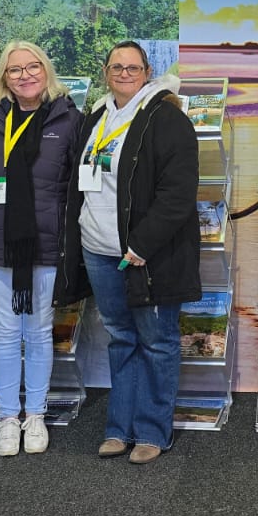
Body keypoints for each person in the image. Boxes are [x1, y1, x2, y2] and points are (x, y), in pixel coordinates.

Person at [60, 41, 199, 465]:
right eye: (117, 66)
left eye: (133, 67)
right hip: (98, 250)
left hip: (145, 253)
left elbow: (177, 195)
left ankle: (153, 432)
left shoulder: (167, 118)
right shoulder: (96, 117)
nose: (124, 73)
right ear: (106, 72)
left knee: (157, 341)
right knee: (121, 339)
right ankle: (119, 428)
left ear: (147, 71)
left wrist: (141, 245)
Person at [0, 40, 81, 457]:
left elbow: (76, 185)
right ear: (3, 78)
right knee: (4, 332)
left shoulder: (68, 118)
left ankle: (34, 414)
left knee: (37, 331)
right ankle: (7, 417)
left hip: (46, 241)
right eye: (14, 70)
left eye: (33, 67)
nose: (25, 75)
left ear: (46, 71)